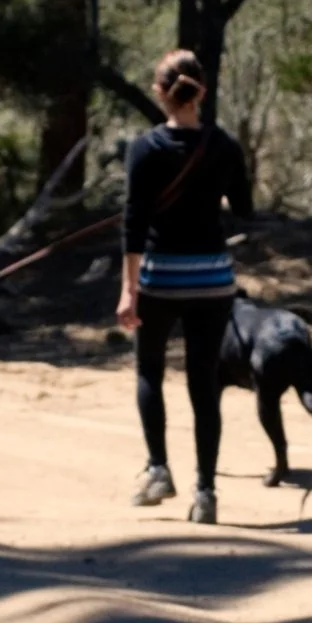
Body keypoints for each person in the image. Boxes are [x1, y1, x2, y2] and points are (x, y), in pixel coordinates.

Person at [115, 49, 254, 524]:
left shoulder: (144, 149)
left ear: (159, 93)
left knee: (149, 371)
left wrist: (127, 290)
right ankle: (207, 492)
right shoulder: (224, 146)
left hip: (161, 279)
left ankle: (158, 470)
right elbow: (245, 209)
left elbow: (133, 225)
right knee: (204, 385)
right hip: (214, 281)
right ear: (202, 92)